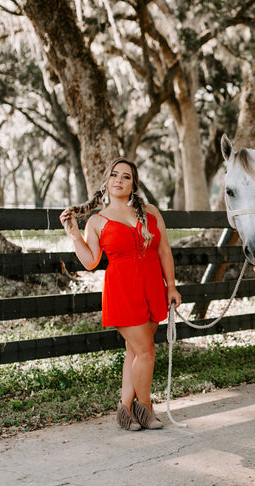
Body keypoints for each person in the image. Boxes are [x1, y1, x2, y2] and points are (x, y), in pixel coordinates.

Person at [59, 158, 181, 431]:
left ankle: (125, 410)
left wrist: (171, 286)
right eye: (114, 175)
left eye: (126, 177)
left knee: (134, 352)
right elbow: (90, 261)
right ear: (106, 181)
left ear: (133, 184)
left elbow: (164, 251)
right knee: (146, 351)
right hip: (123, 291)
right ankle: (146, 408)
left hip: (152, 287)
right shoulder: (97, 221)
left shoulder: (150, 212)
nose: (119, 180)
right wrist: (74, 234)